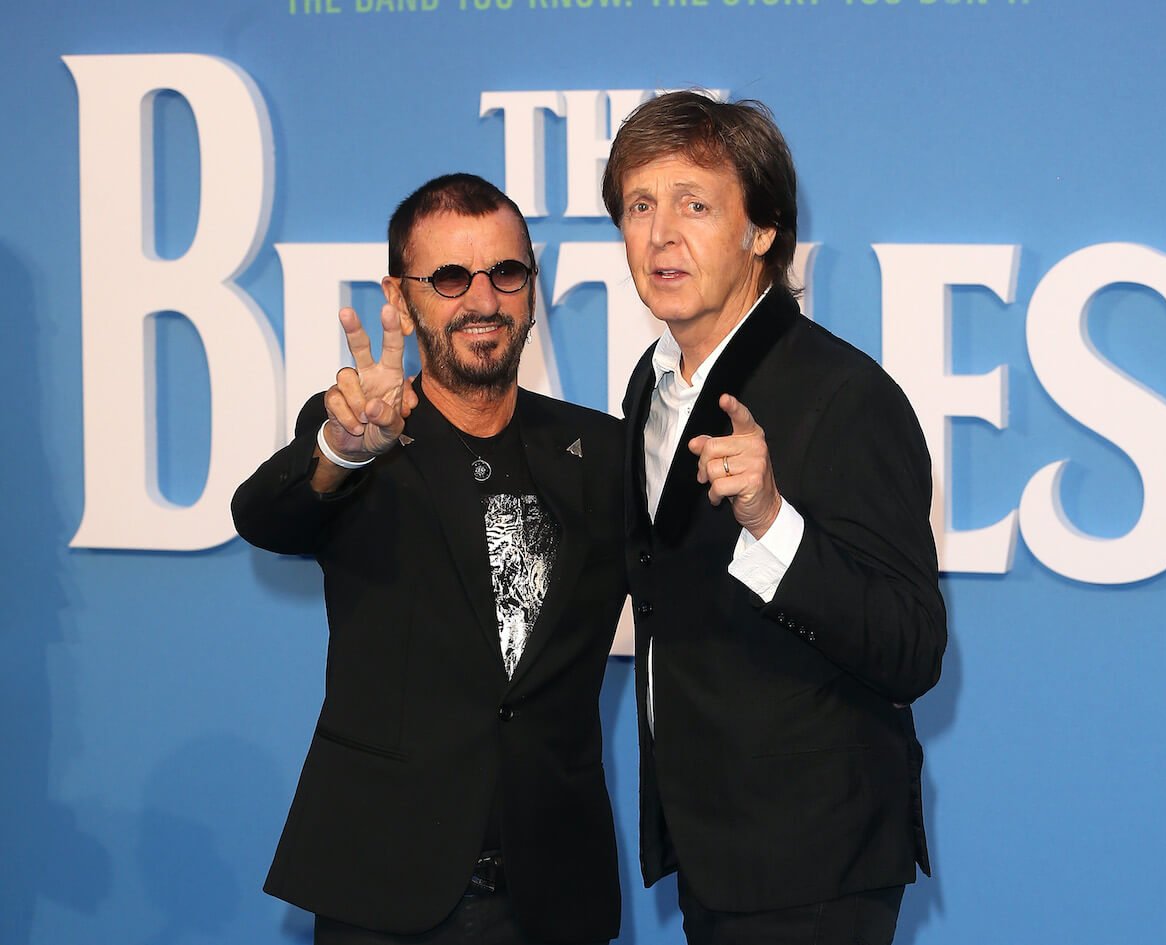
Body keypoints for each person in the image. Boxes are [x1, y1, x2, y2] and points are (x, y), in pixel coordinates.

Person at [232, 174, 625, 945]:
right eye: (450, 277)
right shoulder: (362, 433)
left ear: (531, 287)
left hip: (552, 897)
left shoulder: (601, 451)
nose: (483, 300)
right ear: (401, 295)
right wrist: (338, 454)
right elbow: (265, 515)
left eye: (506, 273)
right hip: (387, 892)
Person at [602, 92, 948, 945]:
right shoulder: (650, 387)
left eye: (694, 203)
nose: (659, 234)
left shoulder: (845, 395)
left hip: (814, 861)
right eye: (639, 206)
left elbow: (910, 646)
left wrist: (771, 519)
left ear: (763, 231)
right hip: (714, 849)